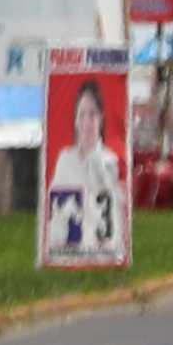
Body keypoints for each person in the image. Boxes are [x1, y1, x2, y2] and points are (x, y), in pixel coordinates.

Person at [42, 79, 125, 262]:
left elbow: (114, 219)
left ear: (101, 119)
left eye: (92, 114)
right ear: (75, 119)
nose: (86, 122)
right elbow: (53, 211)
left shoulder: (109, 161)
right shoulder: (65, 159)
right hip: (65, 254)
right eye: (82, 114)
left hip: (101, 255)